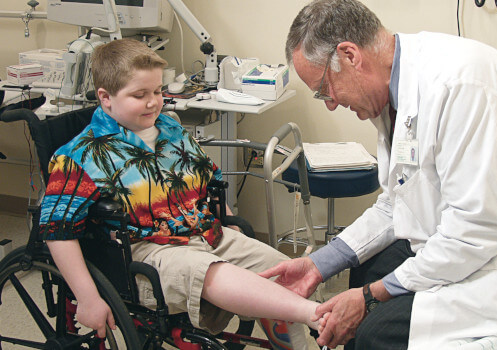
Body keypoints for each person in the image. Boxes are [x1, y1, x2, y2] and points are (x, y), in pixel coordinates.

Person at [259, 0, 497, 349]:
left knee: (375, 330)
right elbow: (397, 202)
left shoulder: (461, 84)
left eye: (325, 89)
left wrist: (371, 297)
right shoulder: (395, 94)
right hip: (465, 233)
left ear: (351, 56)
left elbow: (481, 228)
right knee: (367, 267)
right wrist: (318, 264)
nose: (330, 103)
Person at [39, 38, 320, 350]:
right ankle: (315, 314)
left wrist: (228, 220)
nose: (153, 102)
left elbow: (207, 178)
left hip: (206, 233)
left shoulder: (171, 130)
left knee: (284, 274)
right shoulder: (81, 155)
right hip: (147, 251)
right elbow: (57, 231)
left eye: (158, 91)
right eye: (140, 95)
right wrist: (88, 298)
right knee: (211, 273)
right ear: (105, 97)